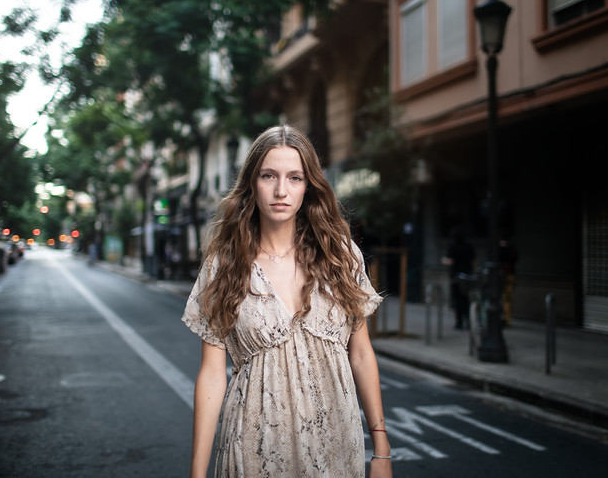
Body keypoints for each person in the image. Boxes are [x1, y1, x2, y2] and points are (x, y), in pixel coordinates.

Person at [182, 125, 392, 477]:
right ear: (252, 182)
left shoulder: (340, 255)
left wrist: (382, 450)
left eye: (294, 177)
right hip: (254, 447)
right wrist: (197, 473)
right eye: (269, 176)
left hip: (337, 446)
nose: (281, 190)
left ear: (308, 185)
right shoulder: (224, 264)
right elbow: (212, 375)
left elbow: (360, 353)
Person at [442, 227, 476, 330]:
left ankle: (459, 322)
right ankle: (468, 320)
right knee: (466, 298)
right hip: (467, 275)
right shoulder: (469, 245)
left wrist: (444, 261)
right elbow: (474, 261)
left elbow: (450, 261)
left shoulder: (453, 246)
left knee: (457, 299)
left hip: (456, 275)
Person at [498, 235, 519, 327]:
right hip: (511, 275)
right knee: (508, 299)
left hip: (501, 276)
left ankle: (502, 318)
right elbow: (516, 259)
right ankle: (507, 319)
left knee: (500, 298)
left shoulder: (498, 249)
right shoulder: (512, 249)